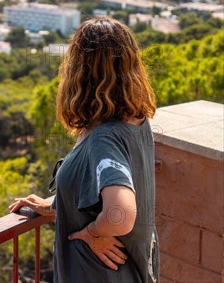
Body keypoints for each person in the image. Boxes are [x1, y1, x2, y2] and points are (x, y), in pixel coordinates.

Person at [9, 16, 159, 283]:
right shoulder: (137, 122)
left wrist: (92, 232)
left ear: (79, 70)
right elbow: (99, 192)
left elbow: (121, 214)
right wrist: (58, 206)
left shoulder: (105, 138)